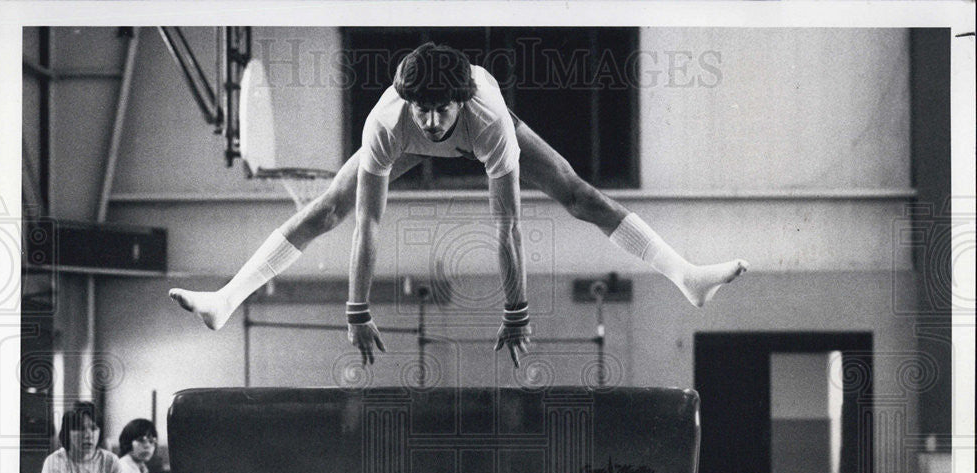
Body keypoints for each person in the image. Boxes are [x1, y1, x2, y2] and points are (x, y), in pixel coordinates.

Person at [170, 42, 748, 366]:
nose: (428, 119)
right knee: (327, 209)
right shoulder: (389, 121)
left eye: (438, 109)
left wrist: (517, 312)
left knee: (576, 192)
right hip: (398, 150)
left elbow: (508, 230)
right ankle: (226, 298)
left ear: (460, 102)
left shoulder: (487, 120)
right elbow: (368, 225)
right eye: (419, 108)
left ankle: (685, 274)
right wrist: (357, 308)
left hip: (486, 138)